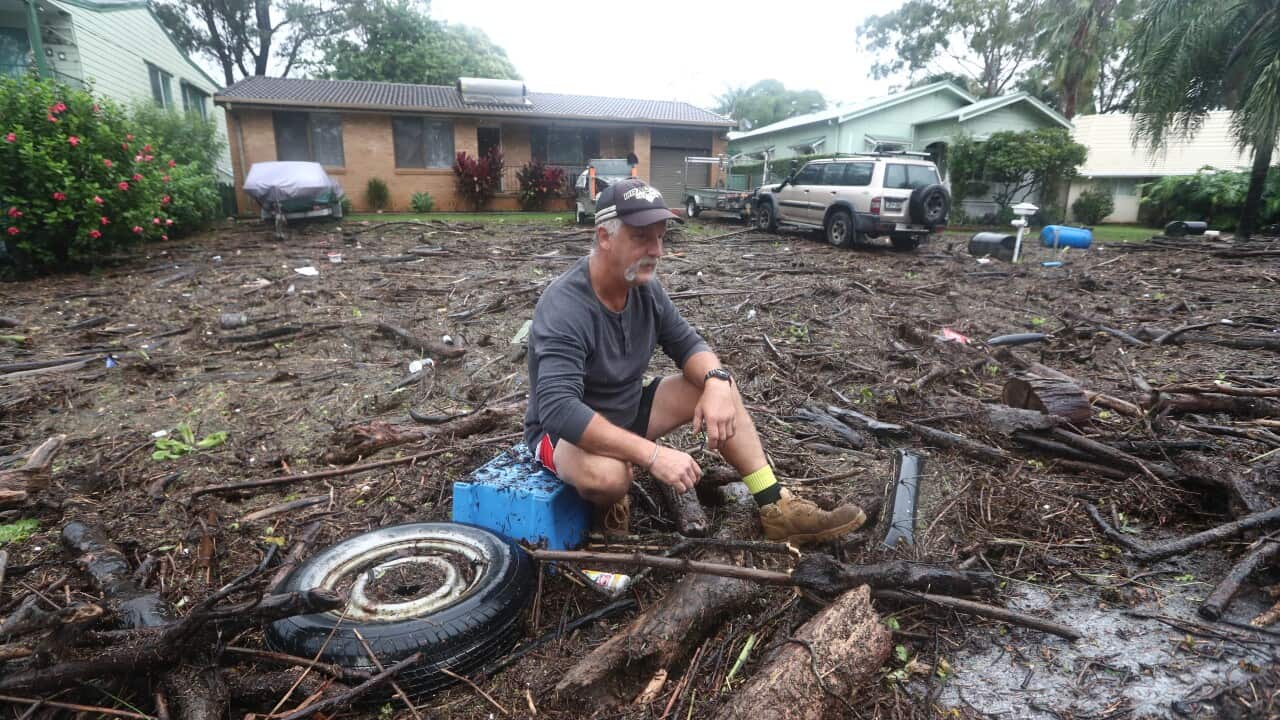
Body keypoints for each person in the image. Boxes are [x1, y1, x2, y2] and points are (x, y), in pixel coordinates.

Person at [523, 178, 865, 546]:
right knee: (610, 476)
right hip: (563, 436)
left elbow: (689, 345)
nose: (657, 250)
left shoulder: (645, 289)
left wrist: (717, 381)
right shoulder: (566, 308)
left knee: (717, 384)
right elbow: (560, 410)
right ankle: (608, 509)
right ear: (605, 236)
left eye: (661, 236)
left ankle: (775, 506)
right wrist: (653, 456)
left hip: (626, 411)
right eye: (642, 237)